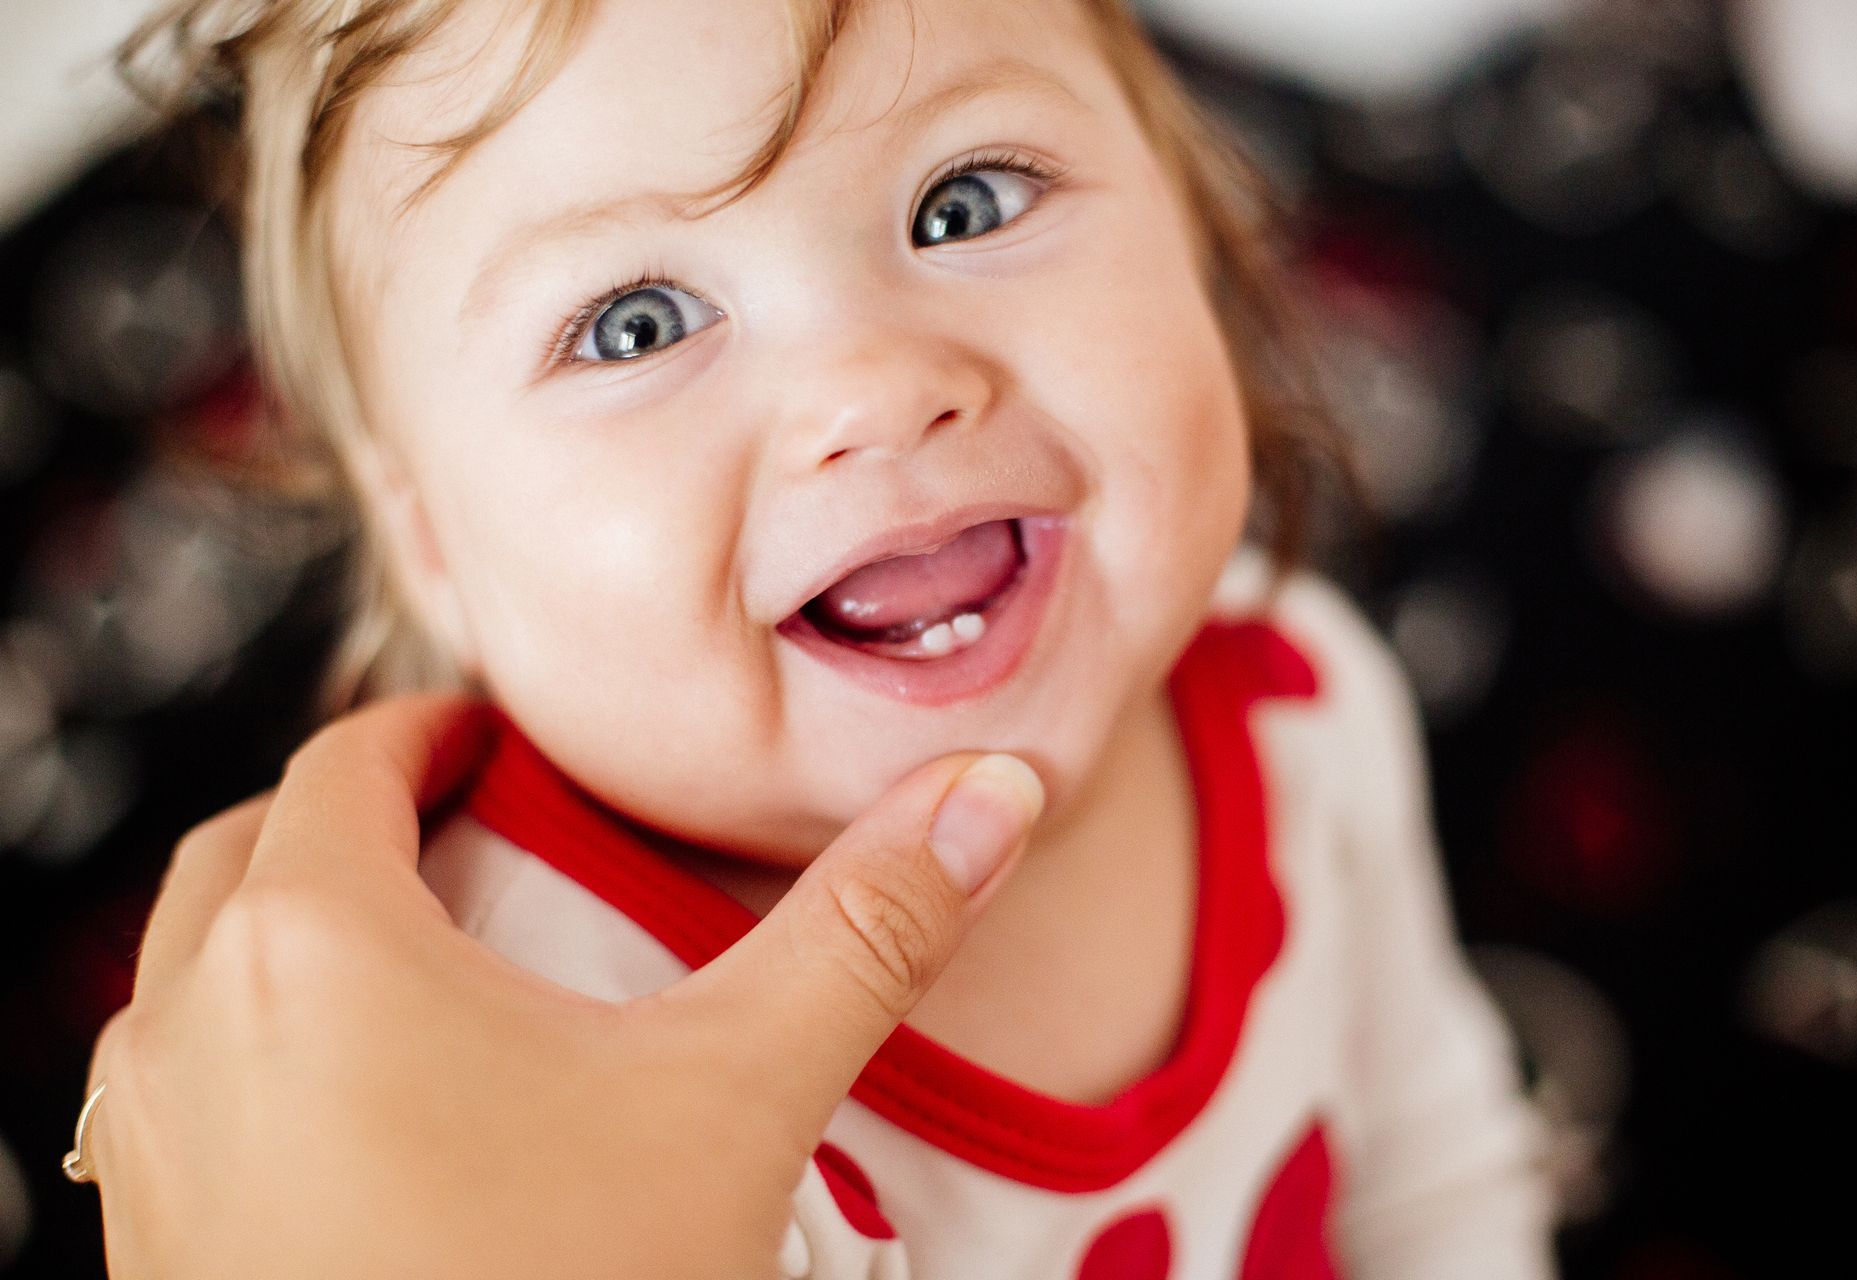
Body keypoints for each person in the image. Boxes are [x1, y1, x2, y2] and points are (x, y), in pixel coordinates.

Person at [87, 0, 1558, 1274]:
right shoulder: (540, 1040)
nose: (873, 387)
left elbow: (1431, 1159)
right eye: (636, 324)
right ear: (429, 545)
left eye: (967, 202)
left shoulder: (1298, 691)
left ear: (1201, 223)